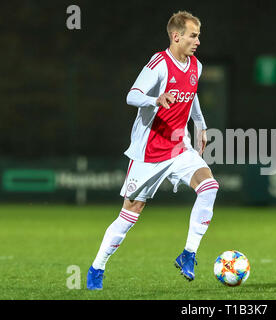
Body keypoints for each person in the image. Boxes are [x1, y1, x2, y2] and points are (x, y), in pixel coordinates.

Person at [86, 11, 219, 290]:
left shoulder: (196, 65)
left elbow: (191, 96)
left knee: (209, 186)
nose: (197, 41)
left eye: (198, 36)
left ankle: (188, 254)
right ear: (176, 36)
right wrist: (155, 99)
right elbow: (131, 95)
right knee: (129, 216)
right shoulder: (159, 63)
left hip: (179, 147)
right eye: (193, 35)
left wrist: (201, 125)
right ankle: (97, 267)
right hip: (149, 153)